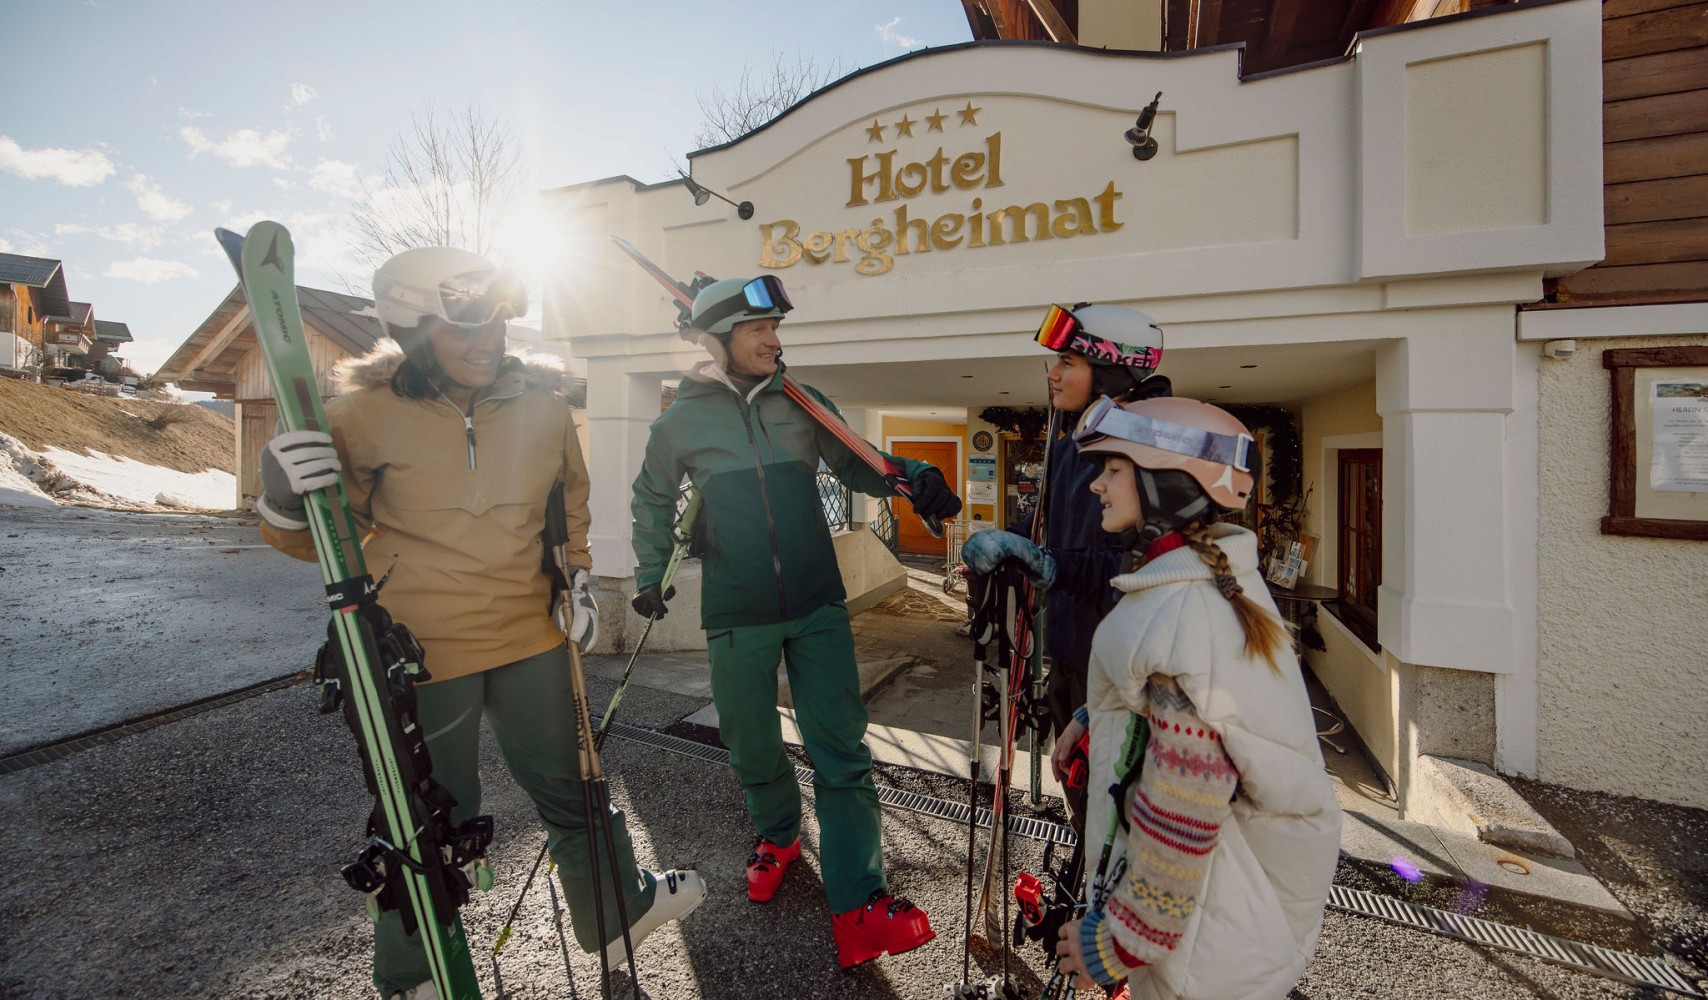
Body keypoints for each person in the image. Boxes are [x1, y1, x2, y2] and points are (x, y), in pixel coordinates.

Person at [257, 247, 705, 1000]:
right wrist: (280, 500)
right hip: (419, 649)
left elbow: (569, 502)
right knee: (426, 813)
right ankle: (418, 973)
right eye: (462, 325)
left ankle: (619, 909)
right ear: (408, 325)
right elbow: (324, 541)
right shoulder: (357, 417)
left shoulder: (542, 403)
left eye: (496, 320)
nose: (487, 338)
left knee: (575, 784)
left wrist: (581, 577)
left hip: (531, 632)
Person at [628, 275, 962, 969]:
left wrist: (915, 476)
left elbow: (865, 466)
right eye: (758, 330)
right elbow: (651, 500)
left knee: (841, 750)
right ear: (718, 340)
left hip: (816, 604)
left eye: (776, 328)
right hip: (738, 609)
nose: (774, 341)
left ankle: (859, 905)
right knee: (751, 745)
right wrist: (648, 574)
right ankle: (778, 834)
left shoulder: (803, 403)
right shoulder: (679, 421)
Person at [1050, 396, 1341, 999]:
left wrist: (1114, 947)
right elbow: (1187, 708)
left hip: (1203, 953)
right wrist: (1095, 716)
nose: (1097, 485)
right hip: (1234, 926)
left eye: (1114, 469)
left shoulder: (1181, 611)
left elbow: (1181, 810)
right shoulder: (1214, 587)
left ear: (1166, 482)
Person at [959, 303, 1171, 831]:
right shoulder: (1073, 442)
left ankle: (1109, 909)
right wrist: (1011, 543)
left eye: (1069, 363)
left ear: (1111, 368)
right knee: (1081, 799)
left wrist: (1048, 565)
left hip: (1125, 669)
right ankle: (1086, 896)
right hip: (1072, 650)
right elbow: (1043, 527)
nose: (1052, 374)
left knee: (1117, 813)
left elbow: (1143, 565)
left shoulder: (1148, 444)